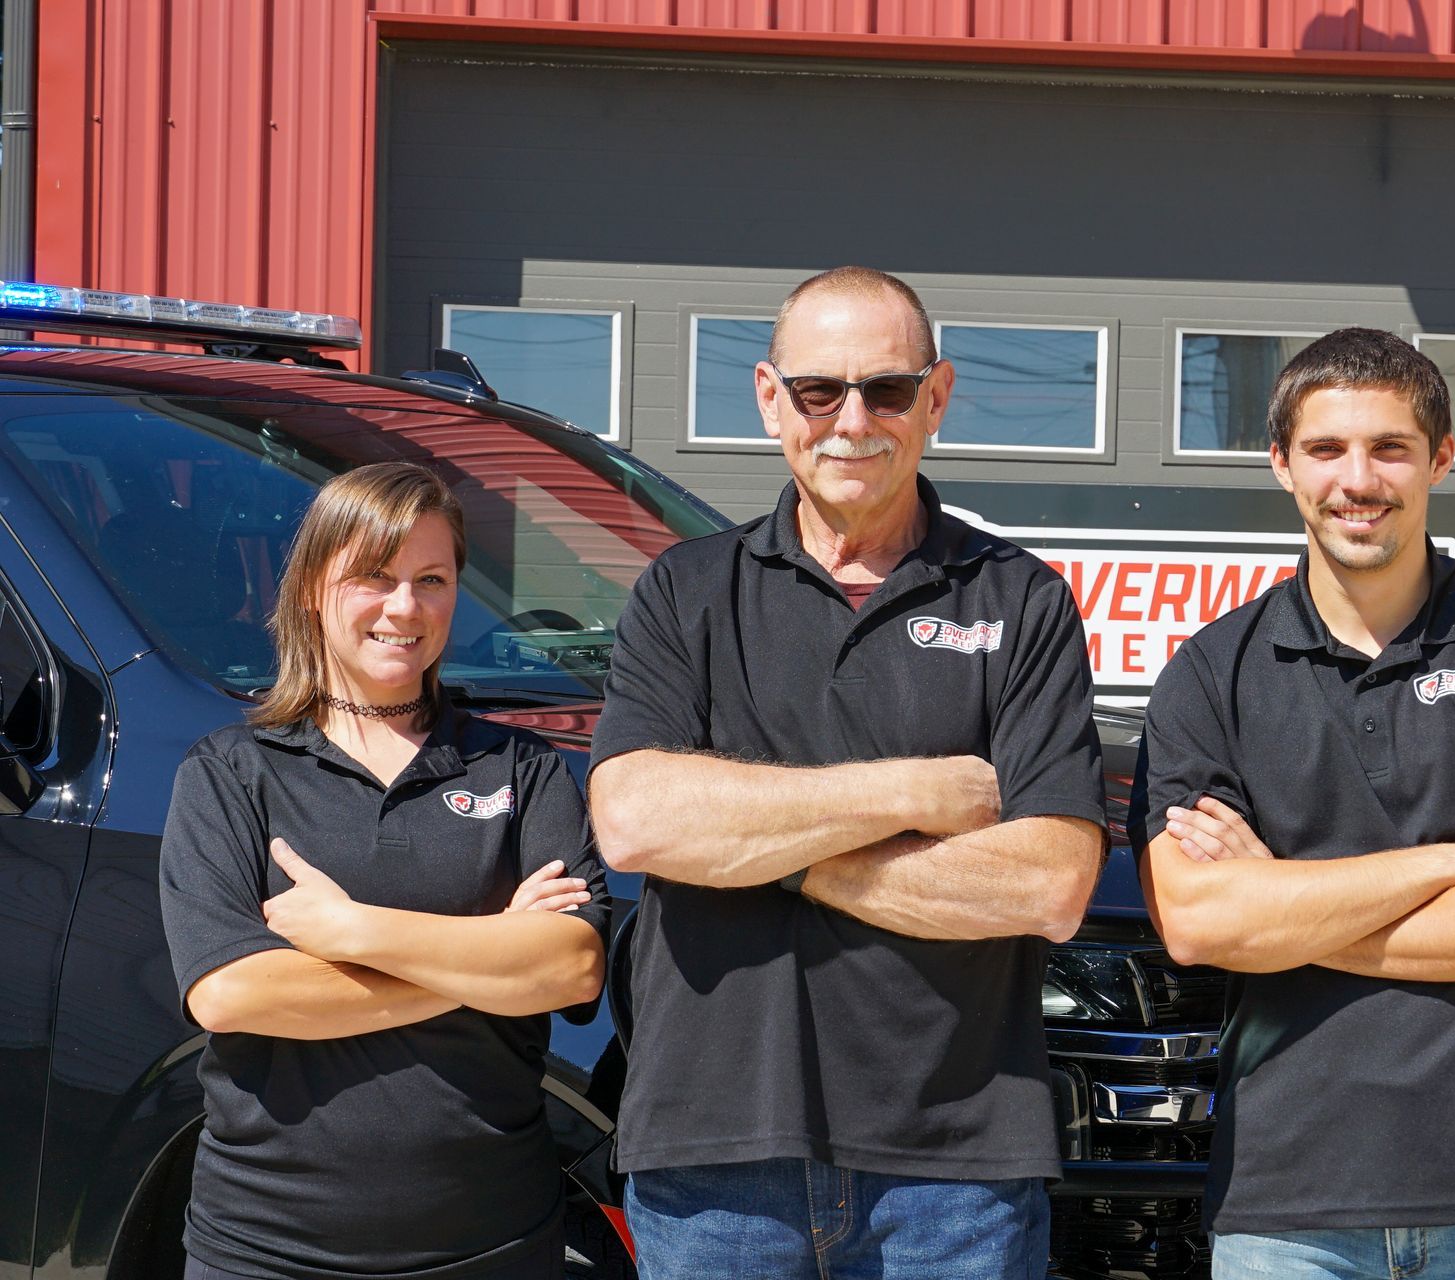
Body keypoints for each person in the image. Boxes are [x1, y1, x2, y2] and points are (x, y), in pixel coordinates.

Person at [589, 265, 1106, 1279]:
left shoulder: (1020, 599)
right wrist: (910, 795)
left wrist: (759, 848)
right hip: (714, 1159)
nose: (852, 419)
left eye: (888, 389)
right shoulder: (686, 591)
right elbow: (638, 822)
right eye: (819, 389)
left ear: (939, 397)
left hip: (957, 1173)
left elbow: (1049, 881)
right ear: (770, 396)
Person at [1130, 328, 1455, 1280]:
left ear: (1440, 459)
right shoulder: (1211, 675)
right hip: (1286, 1208)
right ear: (1282, 463)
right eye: (1326, 449)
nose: (1356, 479)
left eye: (1390, 448)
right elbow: (1201, 921)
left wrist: (1284, 905)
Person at [159, 462, 610, 1280]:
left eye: (431, 580)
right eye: (374, 576)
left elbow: (573, 967)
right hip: (268, 1249)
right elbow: (234, 994)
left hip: (495, 1245)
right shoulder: (232, 773)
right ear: (310, 590)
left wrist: (358, 933)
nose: (405, 608)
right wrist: (493, 953)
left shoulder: (521, 769)